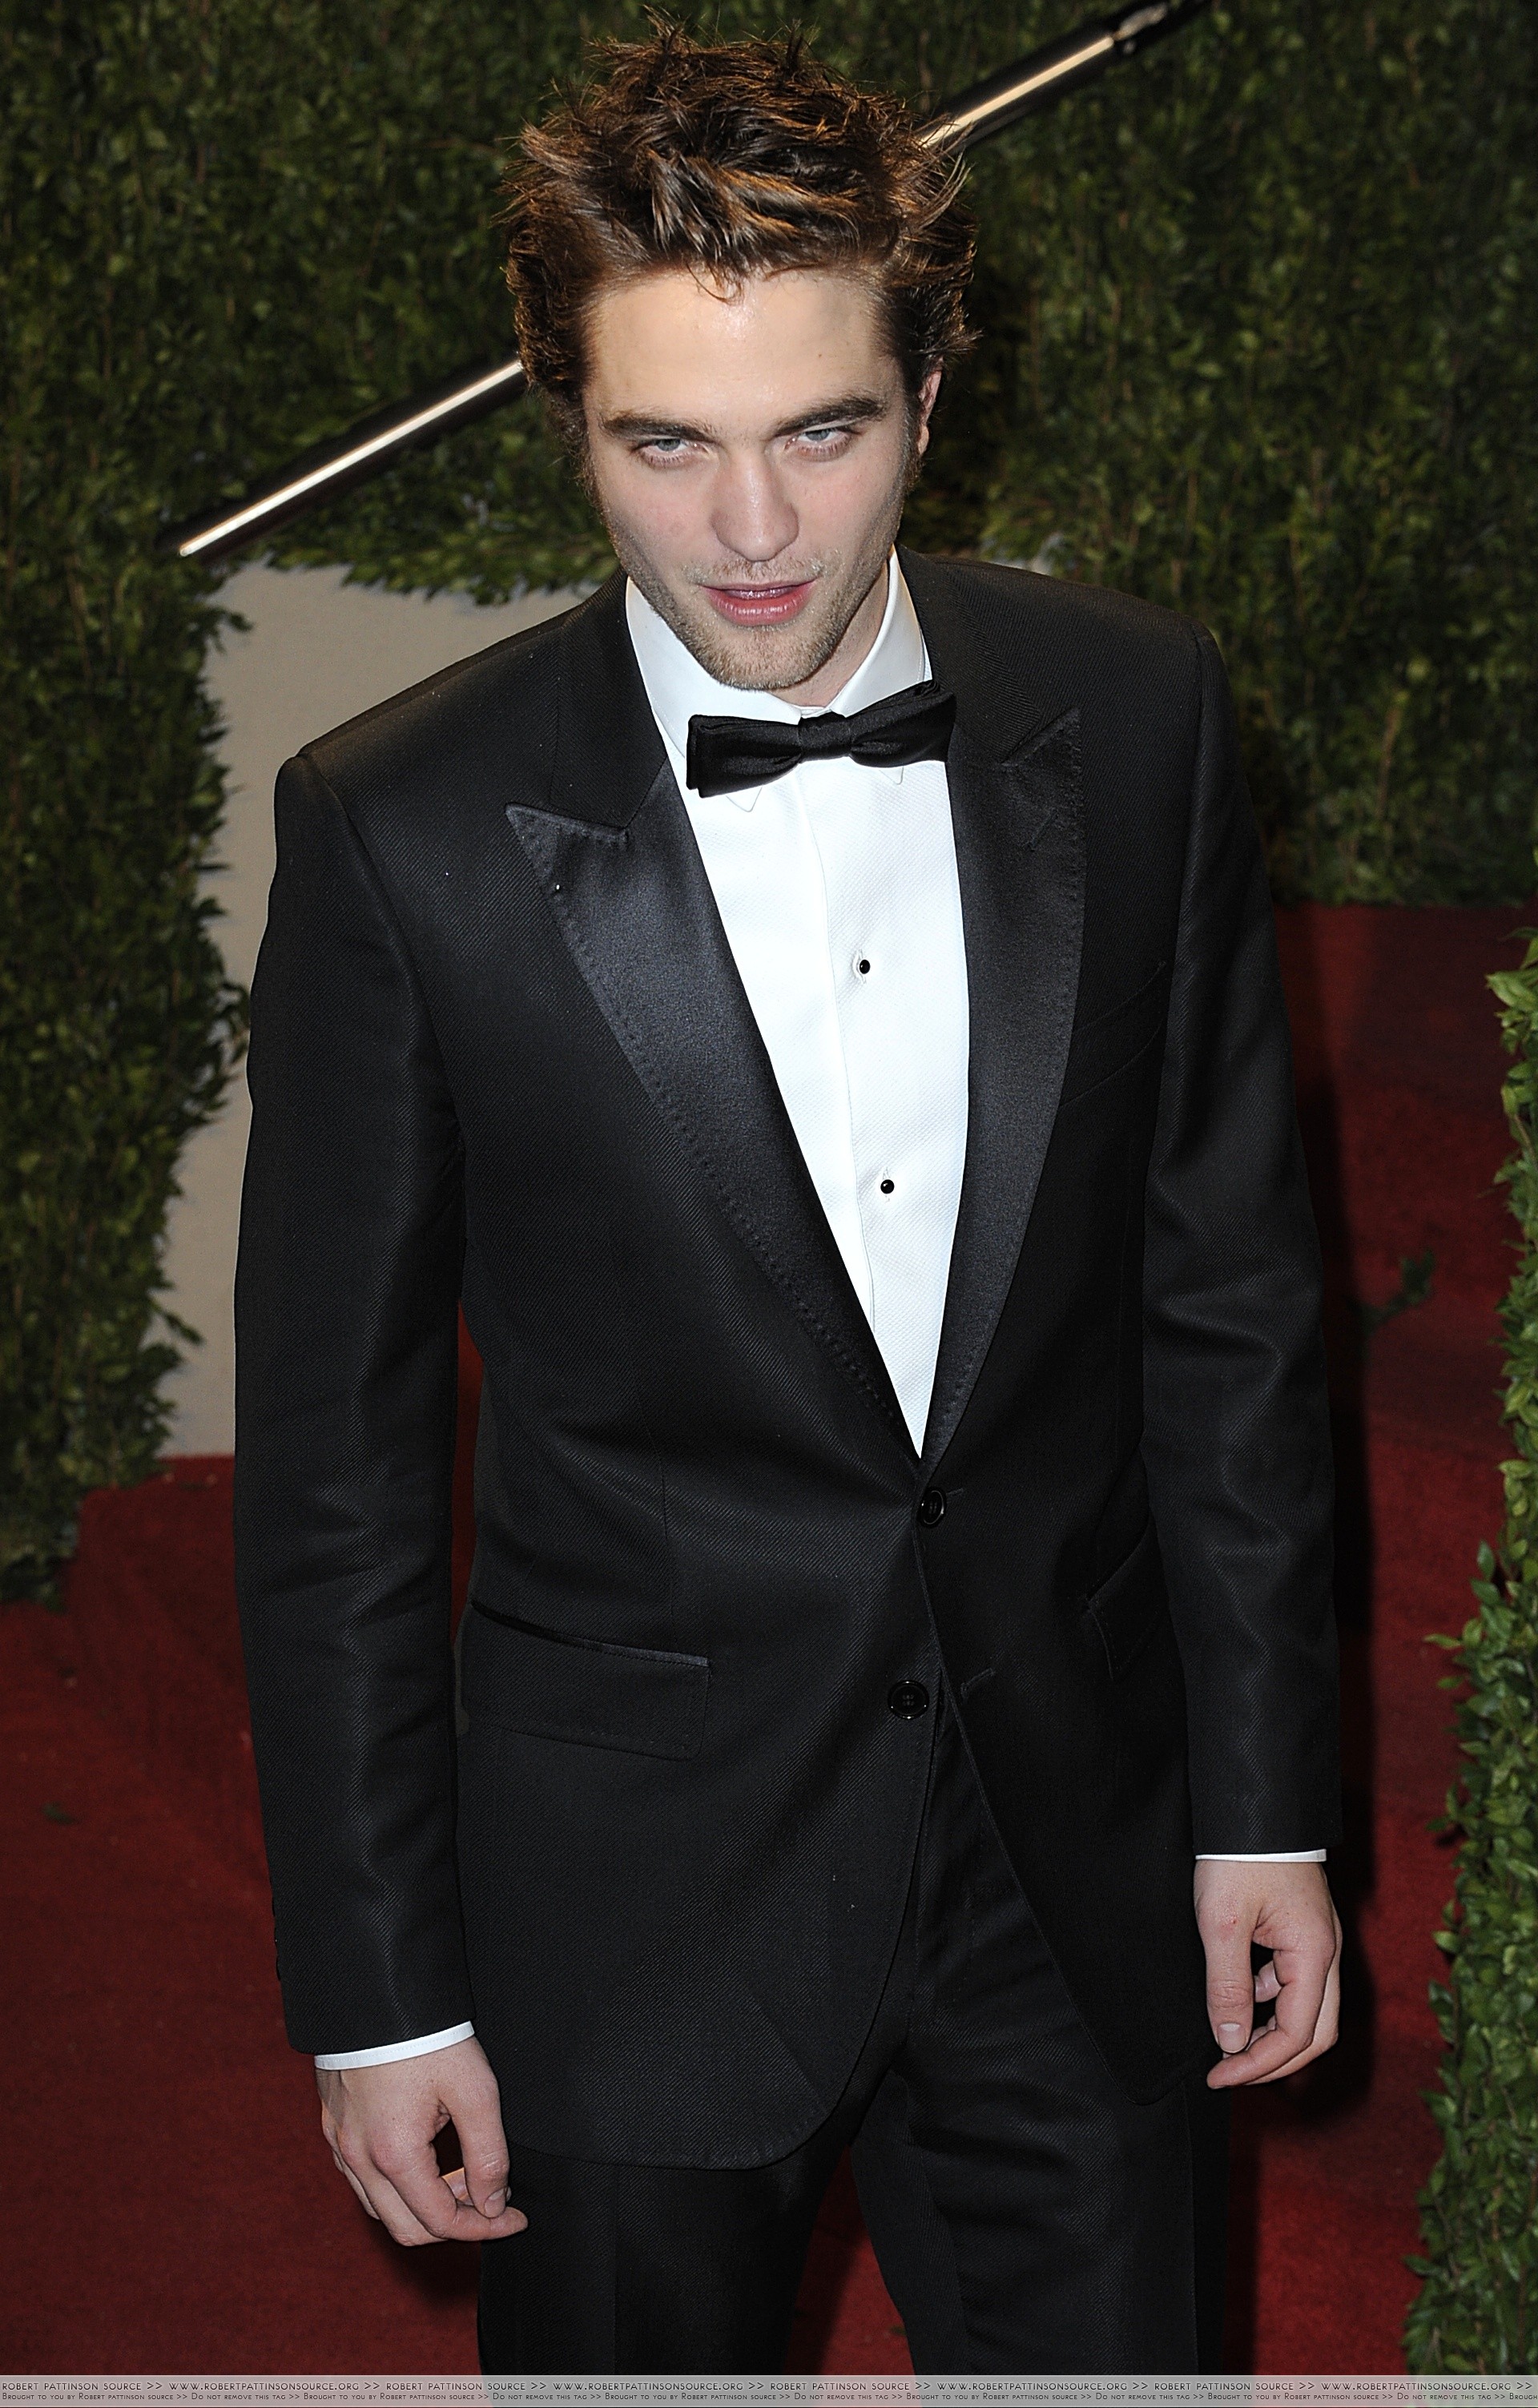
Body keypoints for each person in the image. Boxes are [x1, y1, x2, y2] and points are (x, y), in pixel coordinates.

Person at [233, 26, 1342, 2378]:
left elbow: (1228, 1299)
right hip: (633, 1909)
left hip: (1071, 1861)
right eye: (668, 444)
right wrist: (379, 1989)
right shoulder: (398, 829)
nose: (753, 532)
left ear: (930, 395)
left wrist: (1264, 1811)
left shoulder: (1142, 711)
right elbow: (334, 1476)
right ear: (570, 422)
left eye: (821, 433)